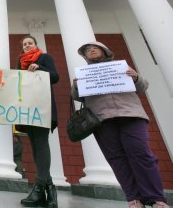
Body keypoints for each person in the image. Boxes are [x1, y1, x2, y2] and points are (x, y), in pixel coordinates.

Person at [71, 42, 169, 208]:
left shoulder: (121, 67)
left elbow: (143, 87)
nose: (91, 50)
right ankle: (133, 199)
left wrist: (136, 77)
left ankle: (156, 198)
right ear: (85, 57)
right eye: (87, 50)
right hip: (102, 120)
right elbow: (78, 97)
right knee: (117, 159)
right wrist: (75, 87)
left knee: (142, 155)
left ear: (105, 51)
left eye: (94, 48)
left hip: (131, 115)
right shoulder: (85, 74)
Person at [17, 35, 59, 208]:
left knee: (41, 143)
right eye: (24, 44)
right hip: (27, 107)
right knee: (35, 145)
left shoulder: (44, 57)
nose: (27, 46)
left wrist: (40, 68)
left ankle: (39, 187)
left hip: (42, 107)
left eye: (30, 43)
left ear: (36, 44)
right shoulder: (20, 62)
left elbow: (55, 77)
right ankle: (50, 192)